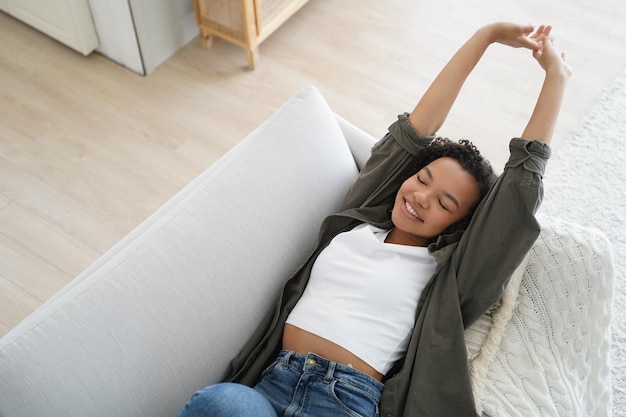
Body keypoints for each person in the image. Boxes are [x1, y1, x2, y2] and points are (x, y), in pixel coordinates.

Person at [177, 22, 572, 417]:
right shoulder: (360, 217)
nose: (420, 197)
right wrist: (485, 37)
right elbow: (417, 130)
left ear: (455, 226)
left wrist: (555, 77)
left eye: (443, 203)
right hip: (272, 384)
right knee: (219, 401)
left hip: (343, 401)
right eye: (422, 179)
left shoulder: (446, 278)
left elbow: (515, 197)